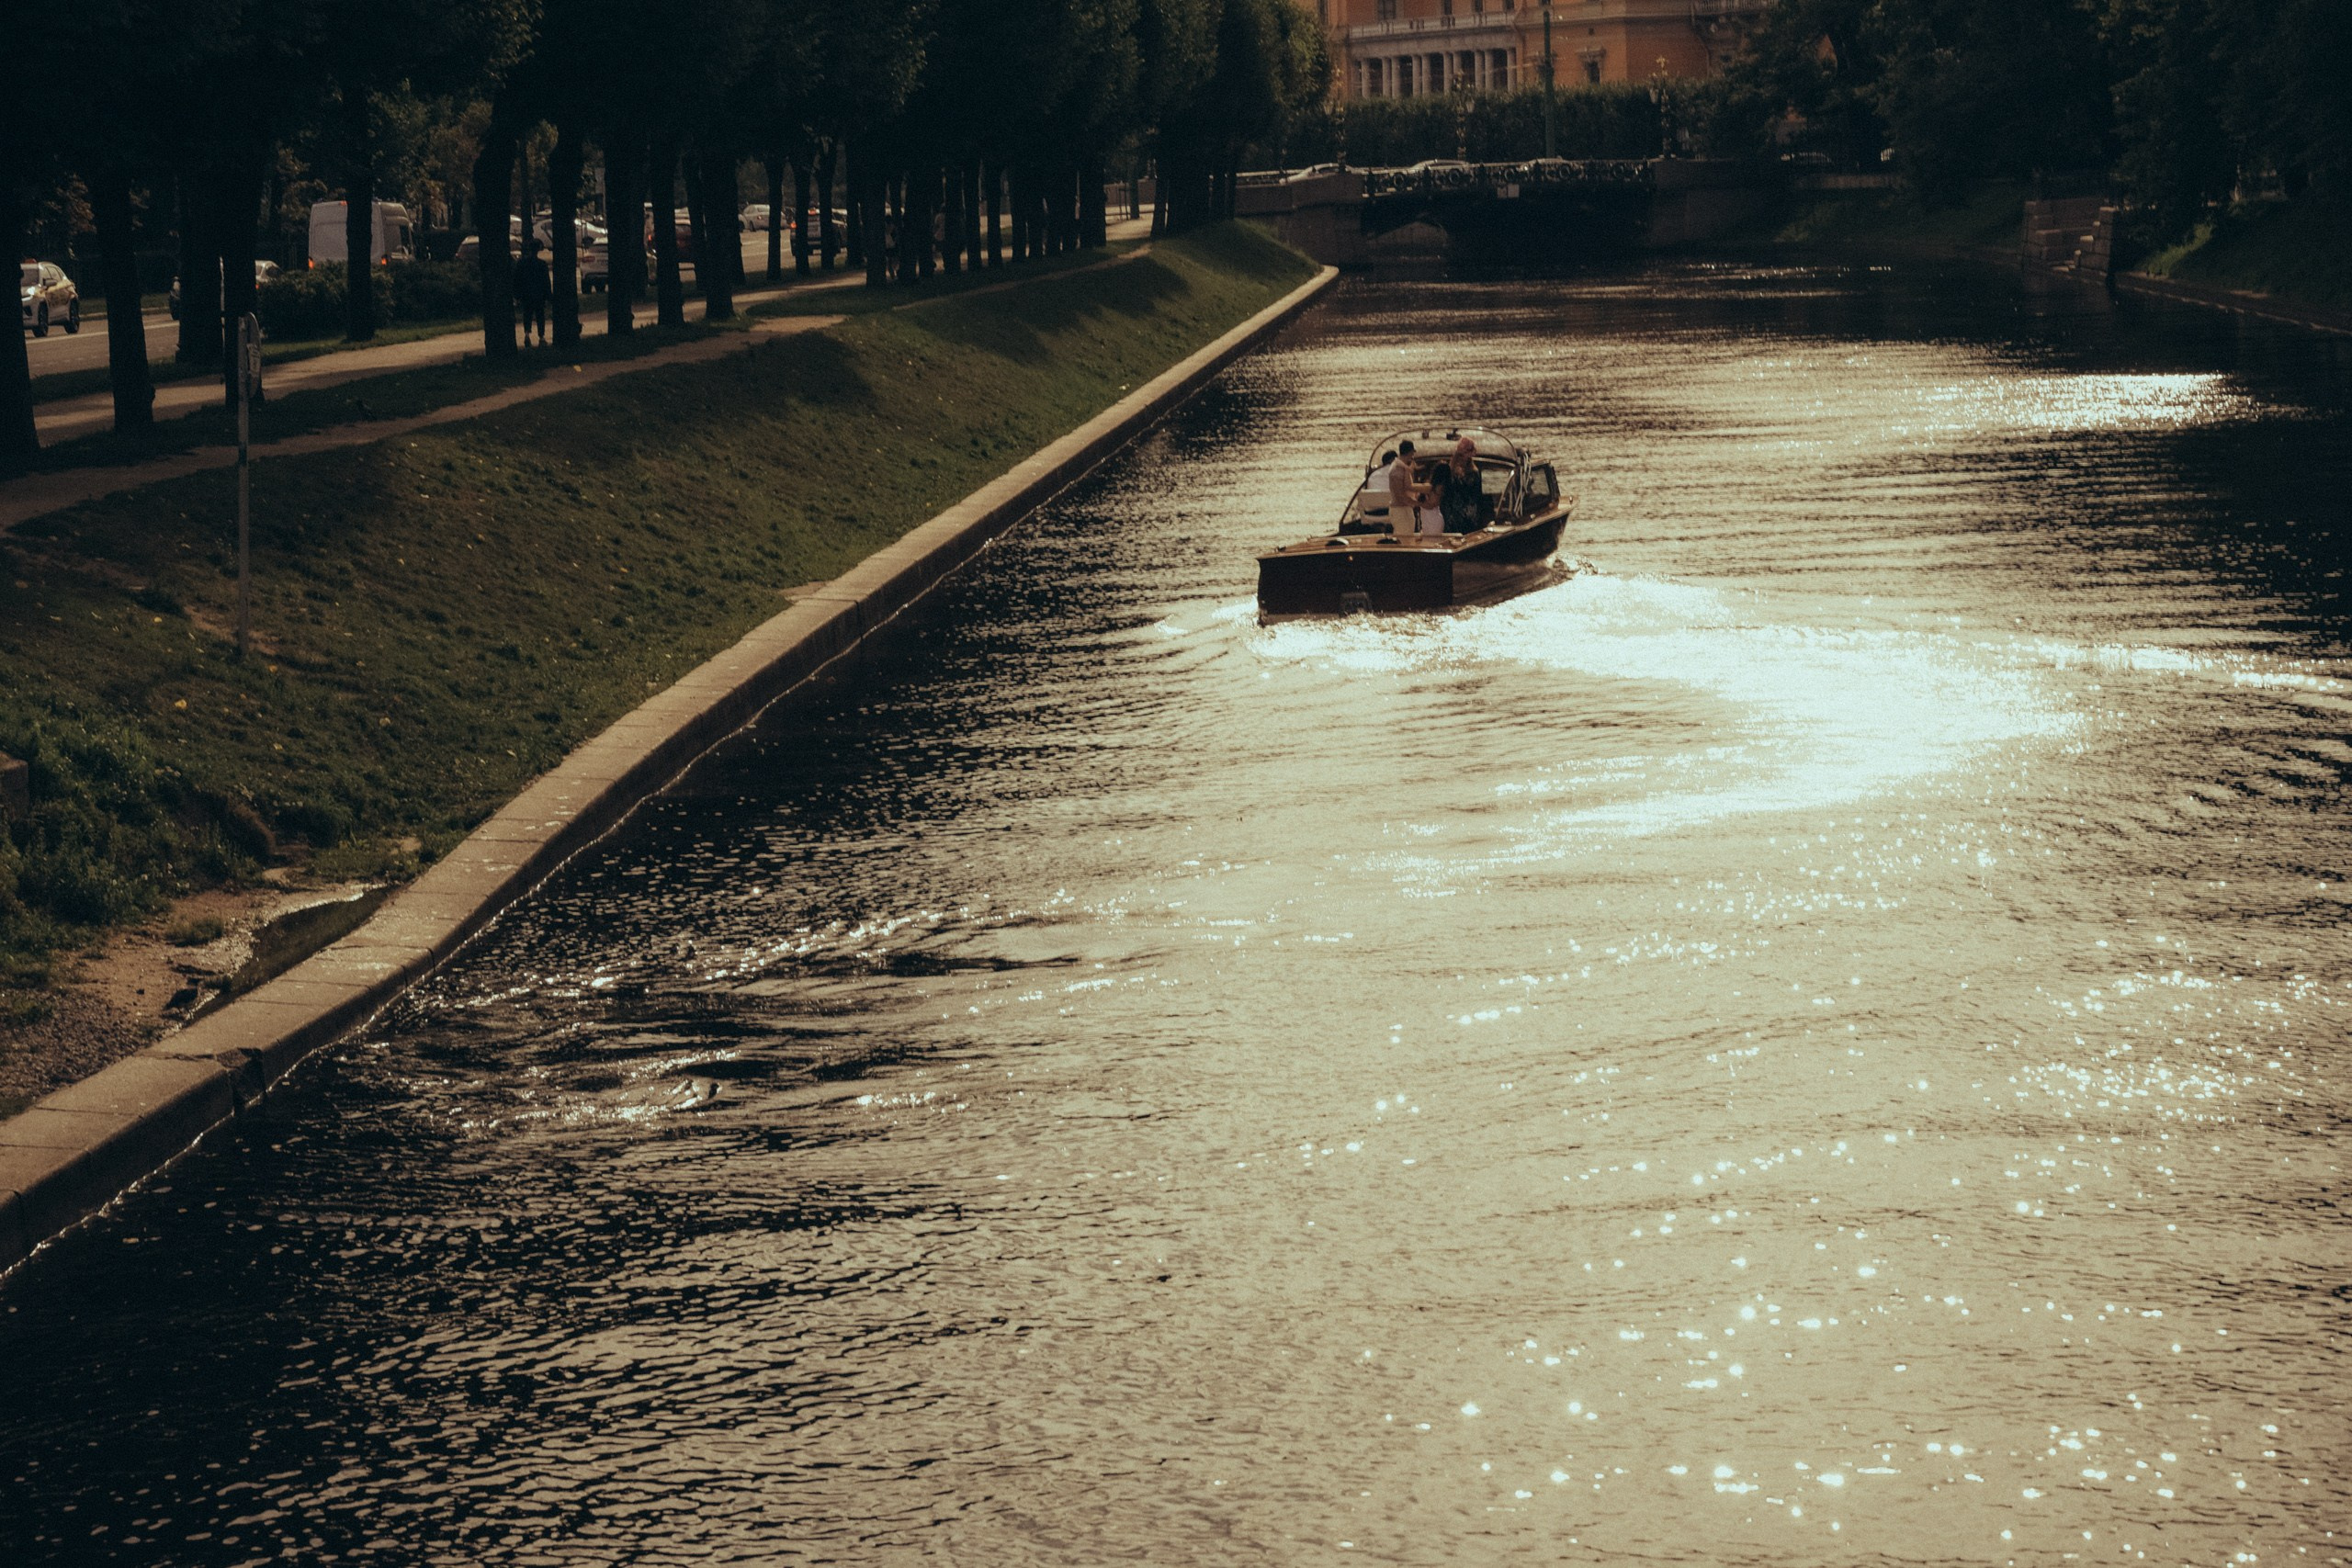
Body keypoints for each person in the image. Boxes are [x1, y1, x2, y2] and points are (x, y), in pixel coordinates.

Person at [514, 237, 552, 346]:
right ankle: (541, 337)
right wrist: (548, 295)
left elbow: (517, 279)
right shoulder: (541, 264)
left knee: (527, 314)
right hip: (539, 293)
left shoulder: (522, 264)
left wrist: (517, 294)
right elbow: (546, 281)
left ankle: (527, 334)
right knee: (540, 315)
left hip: (526, 293)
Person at [1442, 436, 1483, 533]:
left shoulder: (1473, 473)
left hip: (1467, 514)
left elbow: (1474, 494)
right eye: (1459, 455)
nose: (1462, 458)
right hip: (1451, 514)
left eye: (1463, 455)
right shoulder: (1449, 471)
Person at [1385, 438, 1420, 539]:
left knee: (1408, 538)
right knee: (1403, 540)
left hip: (1405, 509)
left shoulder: (1402, 467)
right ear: (1410, 452)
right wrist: (1419, 504)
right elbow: (1400, 496)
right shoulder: (1396, 470)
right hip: (1400, 510)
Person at [1362, 448, 1398, 531]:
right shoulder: (1397, 472)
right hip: (1390, 514)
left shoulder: (1372, 476)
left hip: (1371, 514)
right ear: (1393, 460)